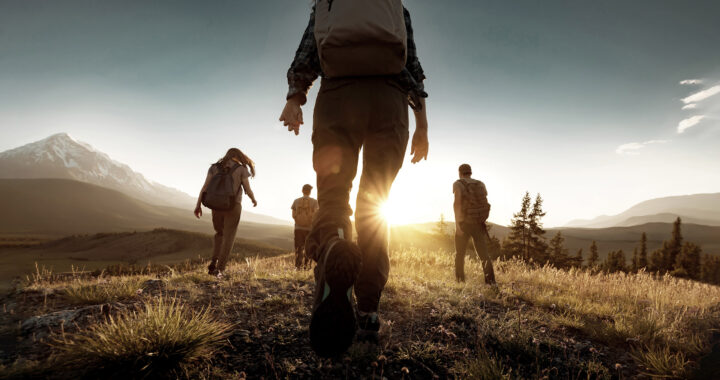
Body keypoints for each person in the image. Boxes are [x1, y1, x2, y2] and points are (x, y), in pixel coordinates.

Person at [279, 1, 429, 357]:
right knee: (374, 204)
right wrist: (422, 124)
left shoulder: (329, 2)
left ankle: (333, 244)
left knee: (332, 196)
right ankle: (368, 313)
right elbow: (413, 67)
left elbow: (308, 52)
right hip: (390, 103)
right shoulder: (394, 6)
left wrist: (295, 97)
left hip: (337, 97)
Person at [194, 148, 257, 279]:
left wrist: (198, 205)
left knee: (219, 234)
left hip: (215, 205)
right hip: (233, 207)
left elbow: (205, 187)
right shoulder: (241, 169)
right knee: (229, 238)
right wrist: (253, 199)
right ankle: (220, 269)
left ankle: (214, 261)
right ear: (238, 156)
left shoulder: (214, 167)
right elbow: (248, 189)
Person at [453, 164, 496, 285]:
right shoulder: (480, 184)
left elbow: (457, 204)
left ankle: (460, 282)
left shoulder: (458, 184)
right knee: (484, 255)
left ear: (460, 172)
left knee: (460, 254)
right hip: (478, 223)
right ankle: (491, 283)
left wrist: (457, 226)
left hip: (464, 223)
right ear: (470, 172)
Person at [291, 184, 319, 269]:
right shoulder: (314, 202)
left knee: (298, 247)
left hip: (298, 228)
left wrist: (299, 221)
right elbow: (316, 215)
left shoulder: (296, 201)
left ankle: (297, 266)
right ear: (310, 192)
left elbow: (293, 215)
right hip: (309, 229)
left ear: (302, 191)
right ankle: (306, 266)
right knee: (308, 248)